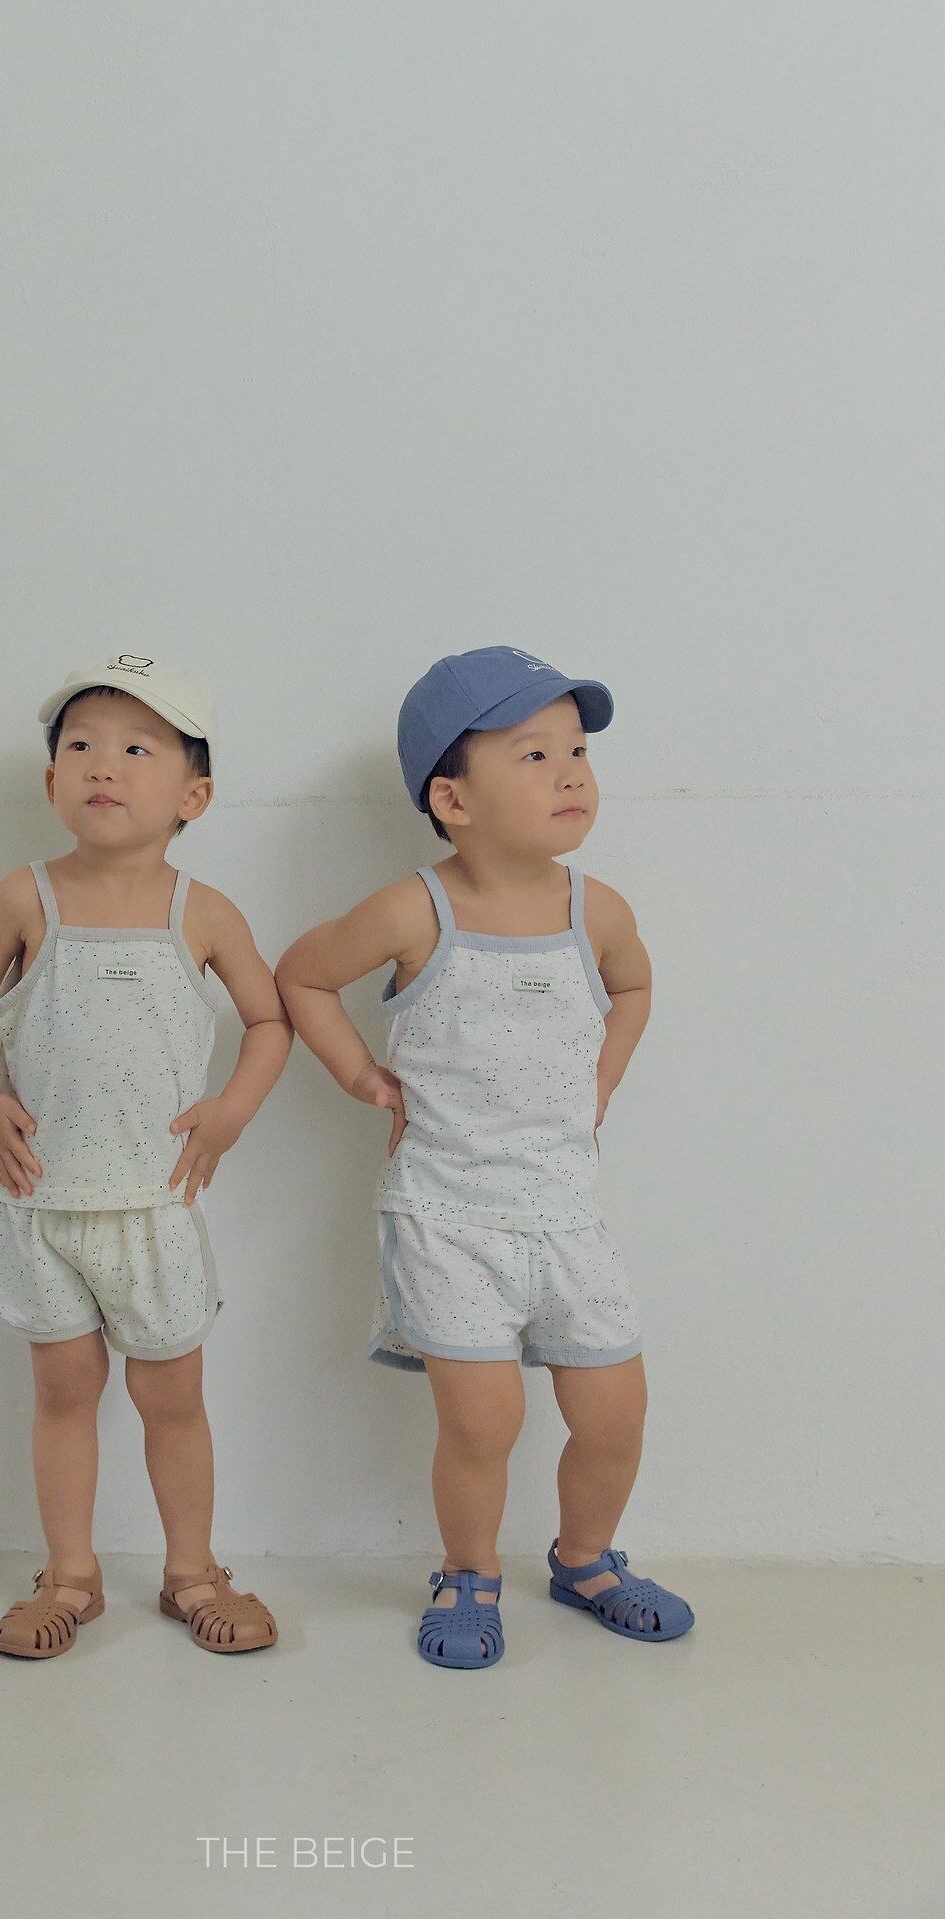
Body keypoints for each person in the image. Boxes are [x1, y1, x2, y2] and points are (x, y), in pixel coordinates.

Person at [275, 647, 694, 1667]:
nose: (570, 773)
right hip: (447, 1215)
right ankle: (466, 1573)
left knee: (615, 1410)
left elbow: (634, 986)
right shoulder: (414, 910)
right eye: (534, 754)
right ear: (452, 798)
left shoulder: (597, 911)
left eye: (577, 751)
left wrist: (605, 1074)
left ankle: (585, 1559)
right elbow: (302, 974)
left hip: (566, 1215)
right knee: (482, 1421)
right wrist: (361, 1075)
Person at [0, 656, 289, 1659]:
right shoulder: (24, 897)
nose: (104, 764)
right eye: (81, 746)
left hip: (152, 1205)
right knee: (63, 1392)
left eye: (138, 748)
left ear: (193, 794)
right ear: (51, 778)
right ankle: (69, 1575)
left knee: (171, 1398)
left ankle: (193, 1572)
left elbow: (269, 1019)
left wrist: (230, 1110)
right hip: (41, 1201)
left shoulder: (203, 911)